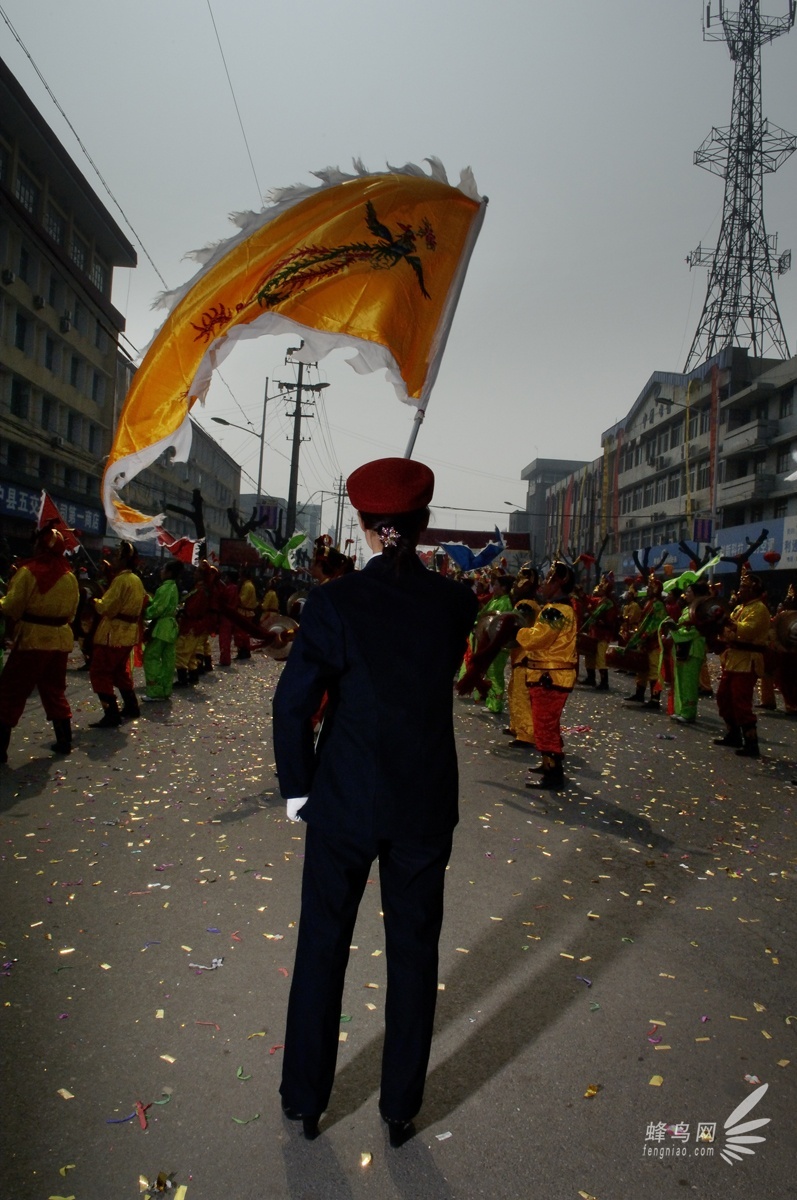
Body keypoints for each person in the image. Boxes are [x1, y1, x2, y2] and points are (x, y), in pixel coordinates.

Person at [272, 457, 478, 1145]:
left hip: (343, 800)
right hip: (422, 801)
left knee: (322, 947)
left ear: (362, 524)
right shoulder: (455, 604)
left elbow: (293, 705)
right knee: (414, 953)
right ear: (422, 523)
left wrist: (299, 790)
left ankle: (306, 1099)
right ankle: (399, 1109)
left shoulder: (332, 605)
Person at [0, 526, 80, 762]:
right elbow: (73, 612)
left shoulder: (28, 571)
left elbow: (12, 606)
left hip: (33, 638)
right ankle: (65, 739)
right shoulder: (70, 575)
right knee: (54, 689)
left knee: (11, 691)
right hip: (60, 639)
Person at [516, 560, 578, 789]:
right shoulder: (558, 608)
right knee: (546, 723)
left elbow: (538, 638)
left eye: (549, 578)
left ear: (559, 582)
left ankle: (553, 774)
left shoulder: (555, 611)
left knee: (544, 724)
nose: (544, 583)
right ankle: (547, 764)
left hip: (550, 677)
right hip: (550, 676)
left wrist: (520, 632)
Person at [714, 570, 771, 757]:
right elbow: (728, 631)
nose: (740, 591)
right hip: (733, 658)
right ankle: (733, 734)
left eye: (744, 587)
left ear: (754, 590)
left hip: (748, 660)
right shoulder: (740, 608)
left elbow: (748, 631)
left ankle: (751, 742)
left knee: (741, 700)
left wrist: (728, 623)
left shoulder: (759, 609)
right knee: (723, 696)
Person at [89, 541, 146, 728]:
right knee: (119, 671)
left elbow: (107, 607)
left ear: (123, 559)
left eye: (116, 556)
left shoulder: (121, 580)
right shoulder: (136, 580)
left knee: (100, 672)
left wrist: (94, 601)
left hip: (113, 634)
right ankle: (131, 706)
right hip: (128, 633)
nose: (113, 559)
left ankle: (111, 713)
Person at [660, 579, 709, 723]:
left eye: (688, 592)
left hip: (693, 649)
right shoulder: (689, 608)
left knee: (689, 682)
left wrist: (675, 631)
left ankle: (689, 712)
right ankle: (681, 710)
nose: (685, 595)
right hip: (682, 647)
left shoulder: (700, 609)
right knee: (680, 681)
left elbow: (695, 630)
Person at [505, 565, 540, 747]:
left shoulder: (526, 605)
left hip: (525, 655)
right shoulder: (524, 603)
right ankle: (516, 727)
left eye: (520, 581)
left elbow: (517, 628)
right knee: (513, 691)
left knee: (521, 695)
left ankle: (526, 734)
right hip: (520, 655)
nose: (516, 585)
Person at [624, 574, 668, 707]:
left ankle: (655, 700)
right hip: (644, 640)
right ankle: (639, 694)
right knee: (641, 668)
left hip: (652, 641)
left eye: (650, 587)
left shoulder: (659, 605)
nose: (648, 589)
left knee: (654, 669)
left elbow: (657, 623)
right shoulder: (650, 603)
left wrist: (645, 635)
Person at [142, 561, 182, 701]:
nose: (161, 571)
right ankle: (165, 690)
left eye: (163, 569)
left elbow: (157, 609)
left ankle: (155, 690)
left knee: (150, 657)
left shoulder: (164, 588)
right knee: (167, 660)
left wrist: (144, 612)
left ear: (169, 572)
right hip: (170, 627)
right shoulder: (173, 587)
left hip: (161, 627)